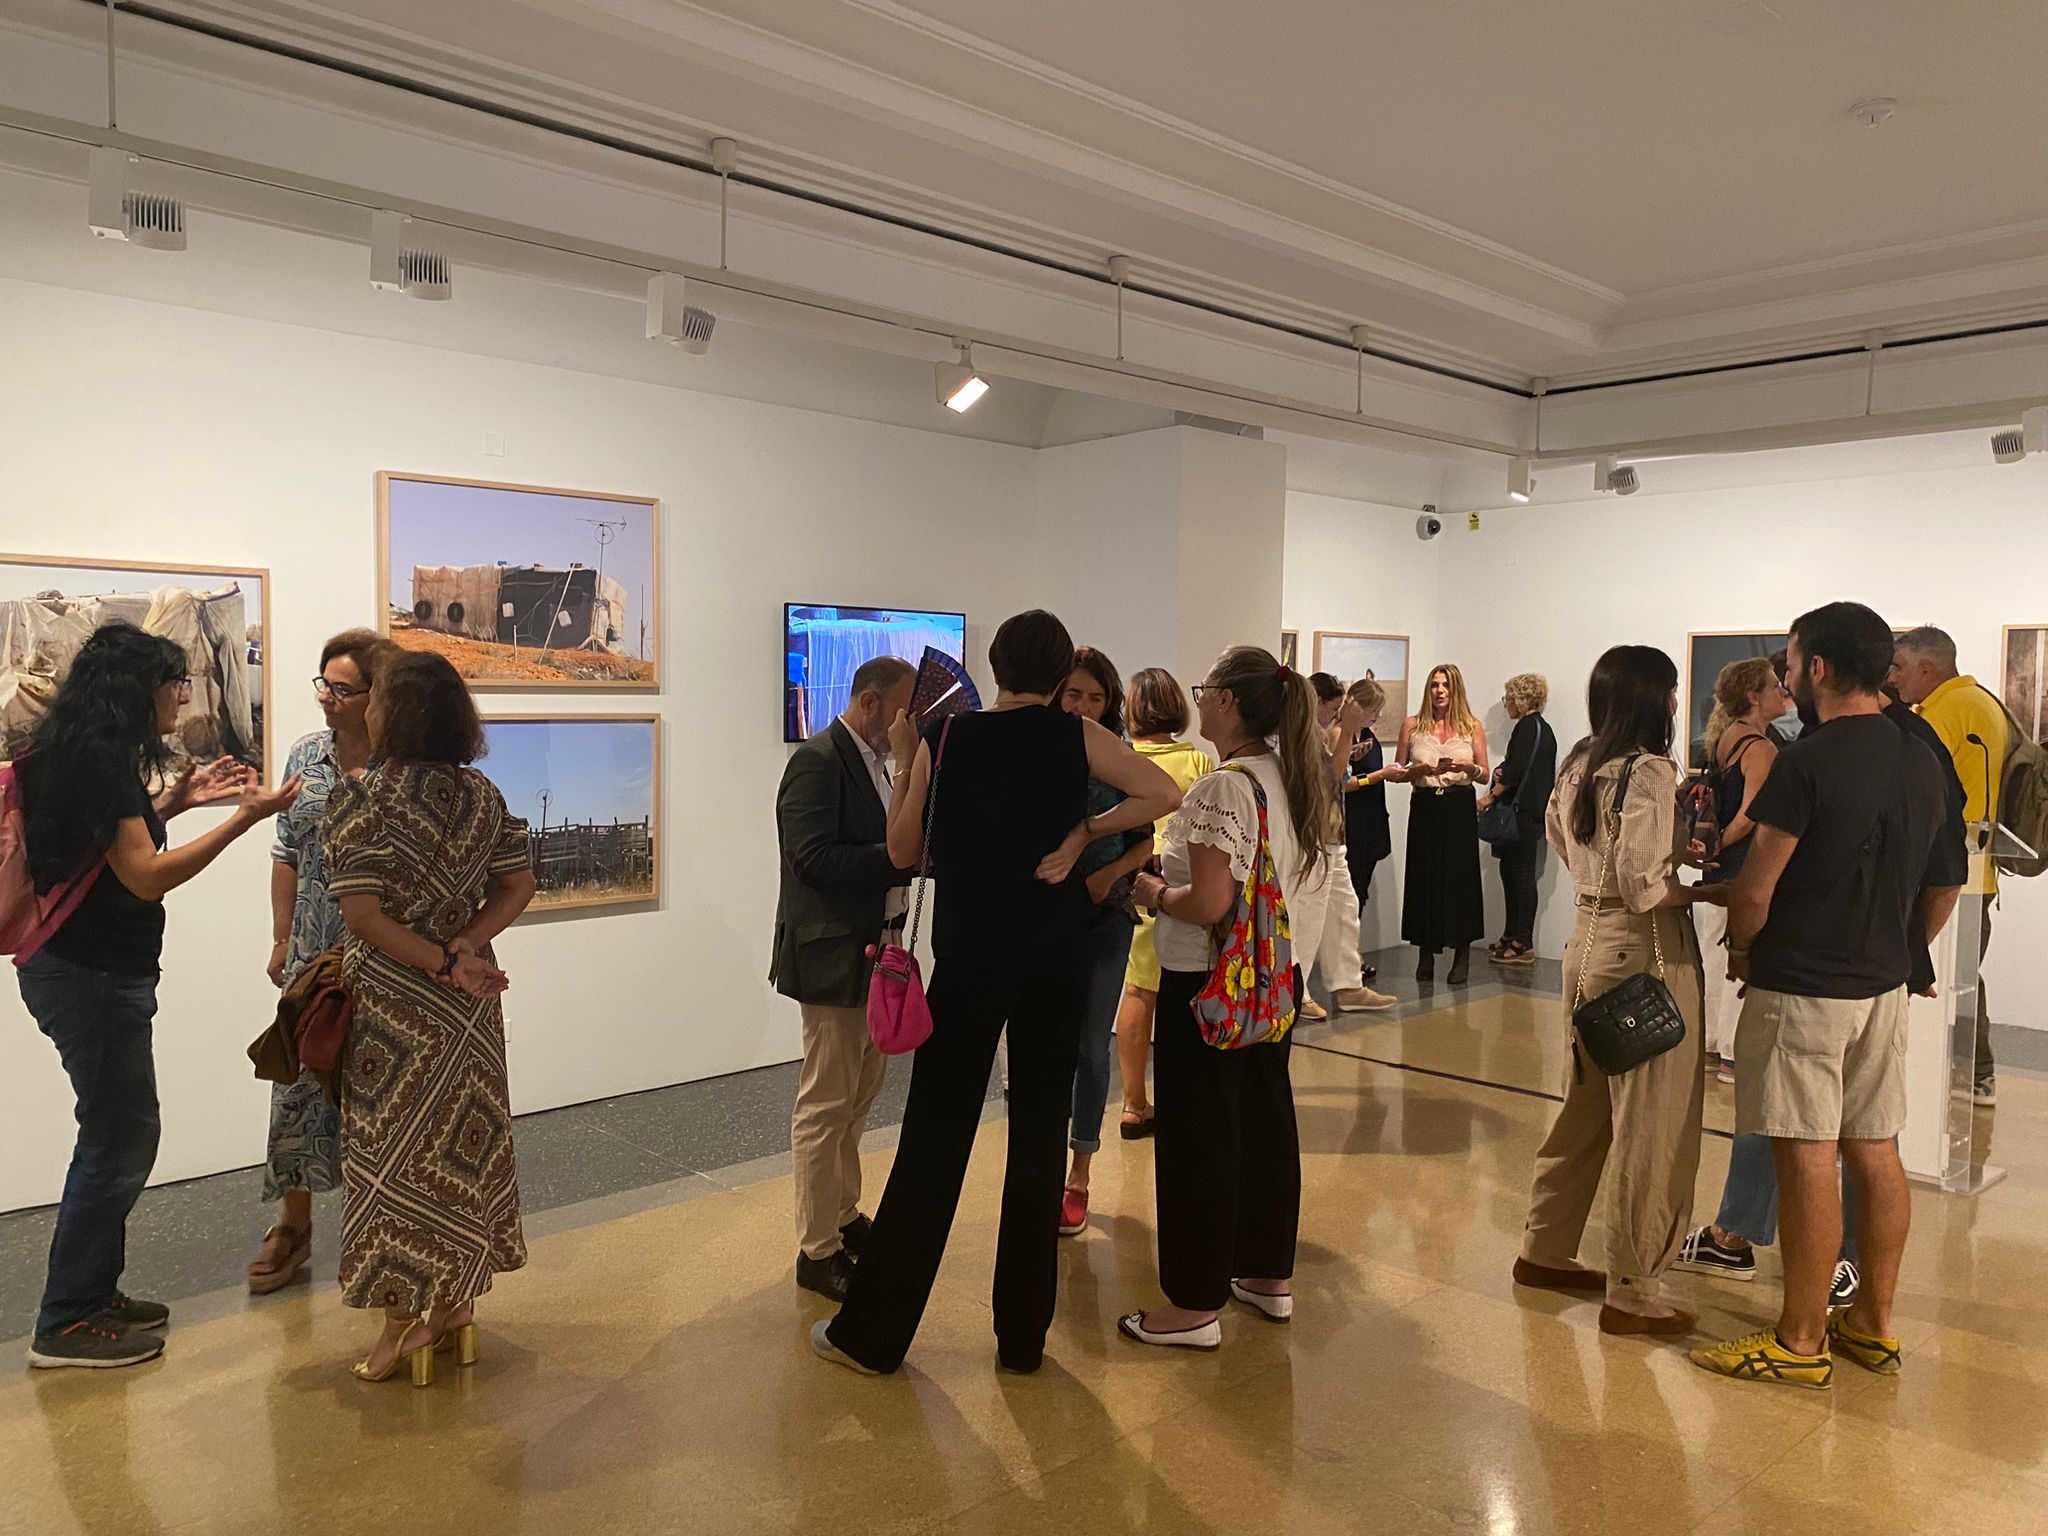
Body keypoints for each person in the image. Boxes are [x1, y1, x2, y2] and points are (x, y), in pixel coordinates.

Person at [813, 611, 1179, 1376]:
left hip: (972, 961)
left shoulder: (951, 737)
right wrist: (1083, 834)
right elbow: (1159, 791)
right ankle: (1021, 1341)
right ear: (1056, 678)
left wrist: (914, 762)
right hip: (1057, 958)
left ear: (996, 665)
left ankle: (875, 1335)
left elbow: (905, 851)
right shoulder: (1077, 736)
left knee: (934, 1141)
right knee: (1040, 1136)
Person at [1693, 603, 1963, 1390]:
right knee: (1876, 1148)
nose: (1787, 674)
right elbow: (1945, 879)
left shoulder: (1808, 759)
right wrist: (1901, 946)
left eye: (1792, 660)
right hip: (1882, 982)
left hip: (1805, 982)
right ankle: (1872, 1325)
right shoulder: (1921, 755)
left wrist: (1744, 949)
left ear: (1816, 668)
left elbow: (1757, 887)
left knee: (1805, 1151)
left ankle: (1799, 1339)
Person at [17, 623, 299, 1368]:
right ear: (137, 690)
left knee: (113, 1133)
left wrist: (171, 805)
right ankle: (67, 1320)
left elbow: (102, 851)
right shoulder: (102, 765)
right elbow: (144, 876)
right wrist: (244, 819)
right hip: (91, 977)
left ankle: (93, 1296)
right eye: (173, 682)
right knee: (119, 1139)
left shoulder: (69, 754)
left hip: (74, 970)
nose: (182, 695)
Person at [325, 650, 538, 1386]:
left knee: (394, 1164)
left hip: (394, 1015)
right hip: (469, 1013)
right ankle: (455, 1308)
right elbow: (520, 882)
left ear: (393, 711)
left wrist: (438, 959)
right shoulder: (481, 795)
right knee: (460, 1153)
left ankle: (399, 1330)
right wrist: (465, 946)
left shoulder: (362, 798)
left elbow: (362, 918)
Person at [1120, 648, 1334, 1350]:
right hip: (1276, 980)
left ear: (1232, 704)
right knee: (1265, 1122)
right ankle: (1267, 1274)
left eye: (1207, 688)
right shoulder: (1296, 778)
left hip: (1207, 985)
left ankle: (1192, 1303)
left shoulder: (1224, 789)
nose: (1200, 698)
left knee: (1199, 1139)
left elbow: (1211, 901)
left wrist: (1153, 892)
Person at [1512, 645, 1718, 1338]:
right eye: (1670, 692)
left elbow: (1571, 847)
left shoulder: (1578, 765)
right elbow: (1643, 884)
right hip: (1646, 955)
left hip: (1584, 946)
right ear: (1652, 700)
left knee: (1585, 1105)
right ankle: (1632, 1286)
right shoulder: (1654, 772)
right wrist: (1711, 887)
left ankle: (1544, 1245)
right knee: (1651, 1123)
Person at [247, 628, 393, 1297]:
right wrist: (282, 938)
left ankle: (378, 1230)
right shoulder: (307, 755)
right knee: (300, 1086)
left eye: (341, 688)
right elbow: (286, 850)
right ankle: (295, 1225)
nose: (326, 699)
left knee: (375, 1092)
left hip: (382, 955)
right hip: (312, 952)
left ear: (375, 695)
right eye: (323, 684)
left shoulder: (402, 766)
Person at [771, 654, 918, 1301]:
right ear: (870, 702)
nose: (909, 720)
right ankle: (815, 1249)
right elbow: (811, 858)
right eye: (904, 707)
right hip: (833, 956)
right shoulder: (818, 760)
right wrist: (892, 860)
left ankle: (842, 1214)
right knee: (826, 1105)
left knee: (858, 1098)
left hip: (876, 953)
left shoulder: (879, 764)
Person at [1056, 647, 1155, 1237]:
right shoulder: (1044, 753)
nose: (1085, 706)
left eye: (1096, 697)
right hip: (1047, 917)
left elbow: (1147, 842)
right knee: (1046, 1041)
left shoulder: (1122, 757)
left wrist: (1107, 873)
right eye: (1074, 695)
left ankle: (1080, 1172)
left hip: (1107, 916)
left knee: (1093, 1043)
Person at [1890, 626, 2007, 1107]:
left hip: (1949, 873)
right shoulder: (1983, 702)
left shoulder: (1945, 712)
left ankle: (1966, 1075)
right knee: (1962, 979)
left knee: (1942, 978)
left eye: (1898, 668)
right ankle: (1976, 1074)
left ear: (1926, 668)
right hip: (1976, 871)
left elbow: (1922, 797)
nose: (1893, 679)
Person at [1114, 667, 1215, 1140]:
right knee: (1184, 995)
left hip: (1133, 880)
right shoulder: (1198, 762)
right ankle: (1186, 1097)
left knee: (1136, 992)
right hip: (1180, 889)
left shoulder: (1121, 758)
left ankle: (1134, 1103)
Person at [1693, 658, 1785, 1083]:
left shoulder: (1725, 738)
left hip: (1714, 873)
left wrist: (1709, 849)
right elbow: (1752, 813)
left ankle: (1712, 1044)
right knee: (1736, 959)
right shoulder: (1760, 747)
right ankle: (1732, 1051)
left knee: (1713, 958)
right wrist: (1723, 843)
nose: (1781, 691)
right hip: (1740, 867)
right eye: (1773, 685)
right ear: (1753, 695)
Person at [1300, 673, 1396, 1017]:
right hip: (1316, 835)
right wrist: (1347, 738)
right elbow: (1332, 778)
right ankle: (1296, 992)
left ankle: (1349, 985)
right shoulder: (1309, 733)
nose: (1339, 712)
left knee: (1344, 908)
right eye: (1335, 706)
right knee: (1309, 914)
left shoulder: (1321, 732)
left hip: (1333, 834)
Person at [1397, 663, 1488, 983]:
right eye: (1435, 685)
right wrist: (1417, 770)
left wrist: (1468, 766)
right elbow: (1398, 771)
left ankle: (1461, 952)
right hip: (1425, 804)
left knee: (1460, 878)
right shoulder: (1412, 725)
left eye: (1446, 685)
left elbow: (1485, 773)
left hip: (1459, 804)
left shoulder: (1471, 726)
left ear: (1456, 690)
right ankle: (1425, 952)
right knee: (1424, 875)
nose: (1439, 691)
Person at [1478, 673, 1556, 966]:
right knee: (1515, 875)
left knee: (1519, 876)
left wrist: (1492, 795)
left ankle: (1522, 941)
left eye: (1508, 697)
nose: (1506, 703)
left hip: (1521, 815)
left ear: (1520, 699)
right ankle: (1513, 935)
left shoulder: (1526, 727)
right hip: (1531, 815)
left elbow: (1517, 771)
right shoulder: (1541, 729)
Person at [1340, 677, 1398, 981]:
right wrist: (1379, 775)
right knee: (1348, 894)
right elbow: (1342, 784)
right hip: (1351, 824)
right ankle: (1349, 957)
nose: (1376, 716)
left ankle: (1352, 954)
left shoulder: (1369, 736)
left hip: (1372, 821)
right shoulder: (1342, 736)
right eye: (1372, 709)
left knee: (1359, 893)